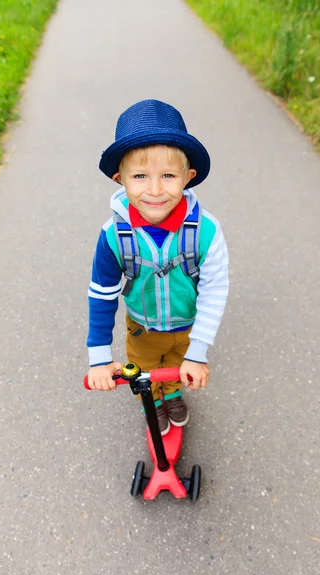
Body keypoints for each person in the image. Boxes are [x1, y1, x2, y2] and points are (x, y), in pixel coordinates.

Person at [86, 99, 229, 435]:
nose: (154, 190)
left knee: (178, 365)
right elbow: (102, 295)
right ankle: (151, 400)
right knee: (146, 370)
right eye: (140, 176)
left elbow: (214, 289)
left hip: (188, 325)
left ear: (188, 177)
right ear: (119, 178)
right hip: (144, 326)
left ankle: (173, 392)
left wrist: (198, 351)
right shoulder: (113, 236)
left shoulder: (206, 232)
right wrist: (100, 358)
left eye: (168, 175)